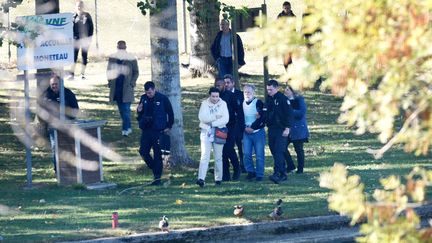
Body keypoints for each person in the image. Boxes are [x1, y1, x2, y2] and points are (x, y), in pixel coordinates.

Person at [38, 75, 79, 172]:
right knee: (55, 147)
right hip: (53, 126)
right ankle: (58, 170)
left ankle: (71, 169)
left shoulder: (68, 94)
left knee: (69, 147)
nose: (54, 86)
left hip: (67, 125)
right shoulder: (46, 94)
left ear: (60, 84)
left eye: (56, 84)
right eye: (52, 84)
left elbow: (75, 111)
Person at [137, 81, 174, 186]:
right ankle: (154, 168)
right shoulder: (143, 98)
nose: (149, 94)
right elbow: (140, 112)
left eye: (150, 92)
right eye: (147, 92)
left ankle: (157, 178)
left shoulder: (162, 98)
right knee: (143, 151)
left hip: (158, 130)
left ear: (154, 89)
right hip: (146, 130)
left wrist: (169, 126)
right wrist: (139, 111)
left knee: (158, 154)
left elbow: (170, 112)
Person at [196, 87, 229, 188]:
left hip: (219, 131)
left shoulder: (223, 104)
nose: (215, 98)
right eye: (213, 96)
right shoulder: (204, 104)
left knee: (218, 157)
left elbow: (225, 119)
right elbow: (202, 117)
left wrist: (212, 123)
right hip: (206, 131)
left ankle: (218, 179)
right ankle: (201, 178)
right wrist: (215, 116)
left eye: (217, 96)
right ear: (210, 95)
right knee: (205, 155)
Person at [107, 40, 139, 137]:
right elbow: (109, 71)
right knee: (121, 110)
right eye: (119, 47)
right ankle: (127, 126)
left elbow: (136, 72)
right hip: (116, 88)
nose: (121, 49)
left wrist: (132, 83)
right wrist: (109, 82)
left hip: (127, 88)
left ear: (126, 47)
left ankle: (126, 129)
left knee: (126, 109)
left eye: (123, 47)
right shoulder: (112, 58)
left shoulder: (131, 58)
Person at [266, 79, 292, 184]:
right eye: (267, 90)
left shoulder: (283, 99)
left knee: (279, 151)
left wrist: (288, 128)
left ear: (276, 88)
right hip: (272, 128)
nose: (269, 91)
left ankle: (278, 173)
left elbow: (289, 114)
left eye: (271, 89)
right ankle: (282, 171)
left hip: (281, 129)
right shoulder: (269, 99)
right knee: (273, 150)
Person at [215, 78, 240, 181]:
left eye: (220, 85)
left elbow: (238, 111)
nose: (218, 87)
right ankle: (225, 173)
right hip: (219, 127)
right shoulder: (215, 97)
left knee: (229, 148)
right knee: (222, 150)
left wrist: (239, 126)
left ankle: (237, 168)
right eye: (217, 85)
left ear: (224, 85)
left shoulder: (230, 96)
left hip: (231, 126)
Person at [242, 84, 266, 181]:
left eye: (249, 92)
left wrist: (253, 127)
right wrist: (244, 128)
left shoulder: (258, 102)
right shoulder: (242, 103)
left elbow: (262, 118)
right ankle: (250, 172)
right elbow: (240, 118)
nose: (247, 94)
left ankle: (259, 174)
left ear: (253, 92)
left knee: (259, 154)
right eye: (245, 92)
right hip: (246, 132)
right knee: (247, 153)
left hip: (257, 132)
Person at [284, 85, 309, 174]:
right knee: (282, 147)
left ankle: (300, 169)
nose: (285, 91)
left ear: (292, 91)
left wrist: (290, 112)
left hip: (298, 129)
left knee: (298, 149)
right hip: (287, 128)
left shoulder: (299, 99)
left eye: (287, 89)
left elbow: (301, 112)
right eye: (285, 89)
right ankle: (290, 165)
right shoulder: (284, 100)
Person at [224, 74, 245, 173]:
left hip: (239, 125)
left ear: (233, 83)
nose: (226, 85)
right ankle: (228, 166)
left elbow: (242, 110)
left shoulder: (240, 94)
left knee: (241, 146)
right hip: (228, 125)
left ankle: (243, 165)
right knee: (229, 147)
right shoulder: (222, 95)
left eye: (228, 82)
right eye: (225, 83)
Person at [71, 0, 94, 79]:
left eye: (81, 6)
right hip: (75, 40)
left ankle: (82, 74)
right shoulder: (73, 17)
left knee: (84, 57)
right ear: (76, 7)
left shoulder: (87, 16)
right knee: (74, 57)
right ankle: (72, 74)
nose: (79, 7)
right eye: (78, 6)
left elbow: (91, 28)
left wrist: (89, 38)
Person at [277, 1, 296, 70]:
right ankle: (287, 72)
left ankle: (290, 73)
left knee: (290, 58)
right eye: (285, 8)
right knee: (284, 57)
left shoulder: (293, 16)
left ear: (290, 7)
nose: (287, 9)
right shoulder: (279, 16)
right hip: (282, 40)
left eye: (288, 8)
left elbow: (294, 29)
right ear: (283, 8)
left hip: (290, 40)